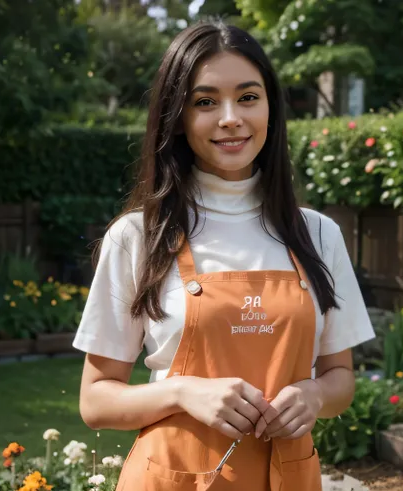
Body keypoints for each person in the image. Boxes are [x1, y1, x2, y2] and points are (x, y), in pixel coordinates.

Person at [73, 19, 375, 491]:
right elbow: (95, 402)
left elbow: (341, 379)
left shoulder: (318, 234)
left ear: (271, 109)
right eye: (206, 101)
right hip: (172, 478)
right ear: (177, 116)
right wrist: (183, 392)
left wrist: (315, 393)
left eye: (248, 97)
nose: (230, 117)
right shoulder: (139, 236)